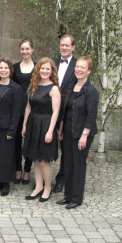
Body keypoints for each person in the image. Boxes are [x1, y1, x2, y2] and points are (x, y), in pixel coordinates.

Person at [57, 57, 99, 209]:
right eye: (77, 67)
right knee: (67, 163)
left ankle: (76, 198)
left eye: (83, 67)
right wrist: (61, 128)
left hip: (82, 133)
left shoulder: (91, 91)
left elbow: (91, 115)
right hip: (67, 130)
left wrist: (84, 135)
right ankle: (67, 195)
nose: (79, 70)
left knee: (78, 164)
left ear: (88, 71)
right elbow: (65, 110)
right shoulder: (70, 87)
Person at [22, 57, 61, 202]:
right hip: (33, 123)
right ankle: (38, 187)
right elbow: (28, 107)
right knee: (35, 158)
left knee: (43, 159)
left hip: (45, 124)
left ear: (52, 71)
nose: (44, 71)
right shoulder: (34, 85)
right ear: (38, 70)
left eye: (47, 69)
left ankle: (47, 188)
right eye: (42, 68)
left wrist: (51, 131)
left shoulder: (54, 88)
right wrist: (25, 125)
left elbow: (56, 112)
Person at [0, 58, 23, 196]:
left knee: (6, 156)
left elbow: (16, 111)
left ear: (10, 70)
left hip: (7, 127)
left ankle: (6, 182)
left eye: (6, 68)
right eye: (1, 68)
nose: (3, 70)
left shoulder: (16, 88)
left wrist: (12, 130)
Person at [54, 34, 78, 193]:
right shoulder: (53, 63)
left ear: (73, 47)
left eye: (67, 45)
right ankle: (43, 179)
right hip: (50, 110)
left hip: (69, 113)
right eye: (62, 45)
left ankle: (62, 178)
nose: (64, 47)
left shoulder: (78, 65)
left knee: (66, 148)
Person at [12, 39, 36, 185]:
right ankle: (17, 169)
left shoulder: (38, 67)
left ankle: (27, 171)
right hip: (17, 109)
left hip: (32, 109)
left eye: (27, 49)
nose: (25, 52)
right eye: (22, 49)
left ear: (32, 50)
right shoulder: (15, 67)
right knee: (16, 141)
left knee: (29, 141)